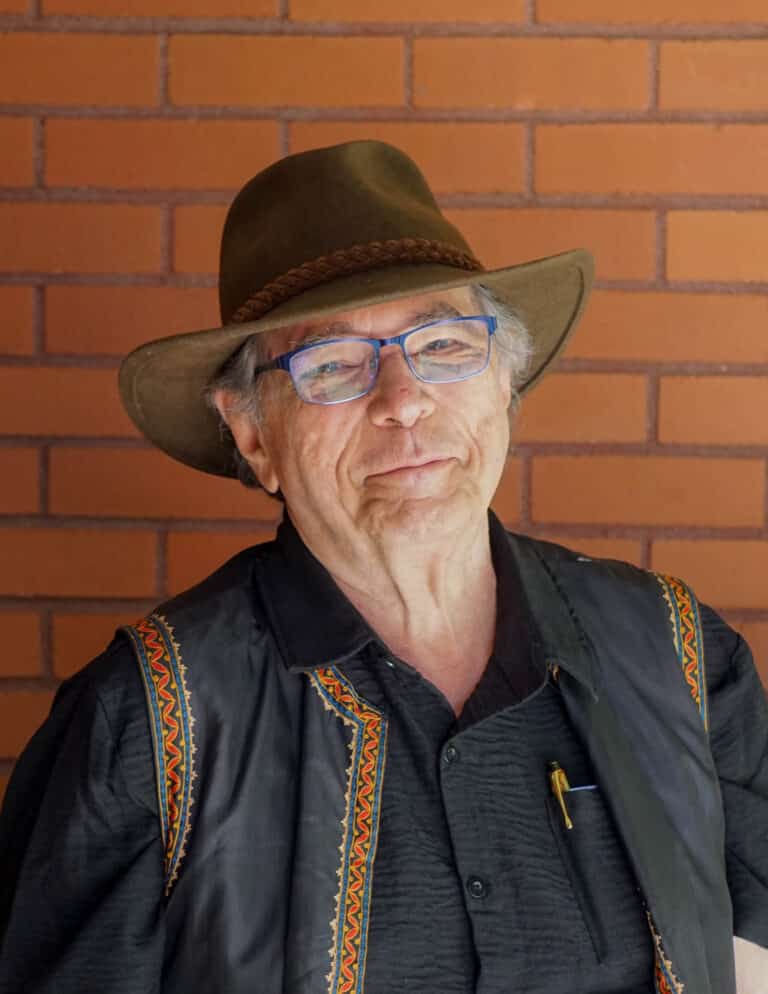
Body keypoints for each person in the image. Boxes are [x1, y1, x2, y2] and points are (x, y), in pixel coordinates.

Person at [0, 141, 766, 994]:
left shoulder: (679, 652)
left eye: (441, 345)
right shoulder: (142, 718)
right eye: (332, 365)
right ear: (255, 436)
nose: (402, 400)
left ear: (501, 383)